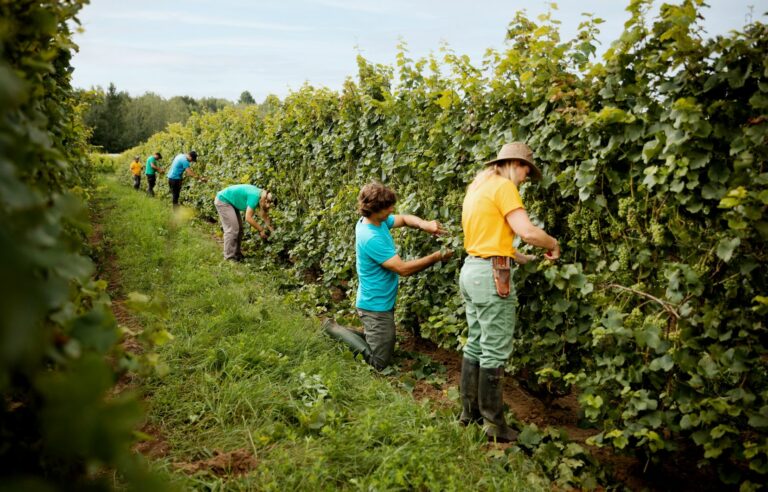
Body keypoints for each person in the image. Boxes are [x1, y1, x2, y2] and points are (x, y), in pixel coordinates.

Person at [459, 142, 560, 443]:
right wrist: (552, 244)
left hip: (471, 271)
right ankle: (494, 425)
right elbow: (527, 232)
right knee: (494, 349)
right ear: (515, 164)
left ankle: (469, 415)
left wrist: (522, 258)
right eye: (528, 168)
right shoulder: (504, 187)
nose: (528, 175)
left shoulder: (478, 187)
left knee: (476, 343)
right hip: (491, 277)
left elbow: (488, 238)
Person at [353, 182, 453, 371]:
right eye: (388, 207)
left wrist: (425, 225)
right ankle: (333, 330)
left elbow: (405, 219)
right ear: (375, 209)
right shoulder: (371, 236)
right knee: (378, 363)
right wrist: (437, 256)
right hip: (374, 305)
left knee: (383, 343)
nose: (392, 209)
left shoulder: (377, 221)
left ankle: (368, 335)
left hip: (380, 301)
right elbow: (403, 269)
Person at [214, 184, 275, 261]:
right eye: (268, 202)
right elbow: (248, 218)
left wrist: (273, 232)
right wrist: (261, 230)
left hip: (231, 203)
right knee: (232, 229)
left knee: (239, 229)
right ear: (265, 198)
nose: (268, 205)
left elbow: (265, 217)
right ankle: (229, 257)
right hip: (223, 200)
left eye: (270, 203)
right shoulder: (255, 196)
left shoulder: (261, 195)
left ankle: (237, 254)